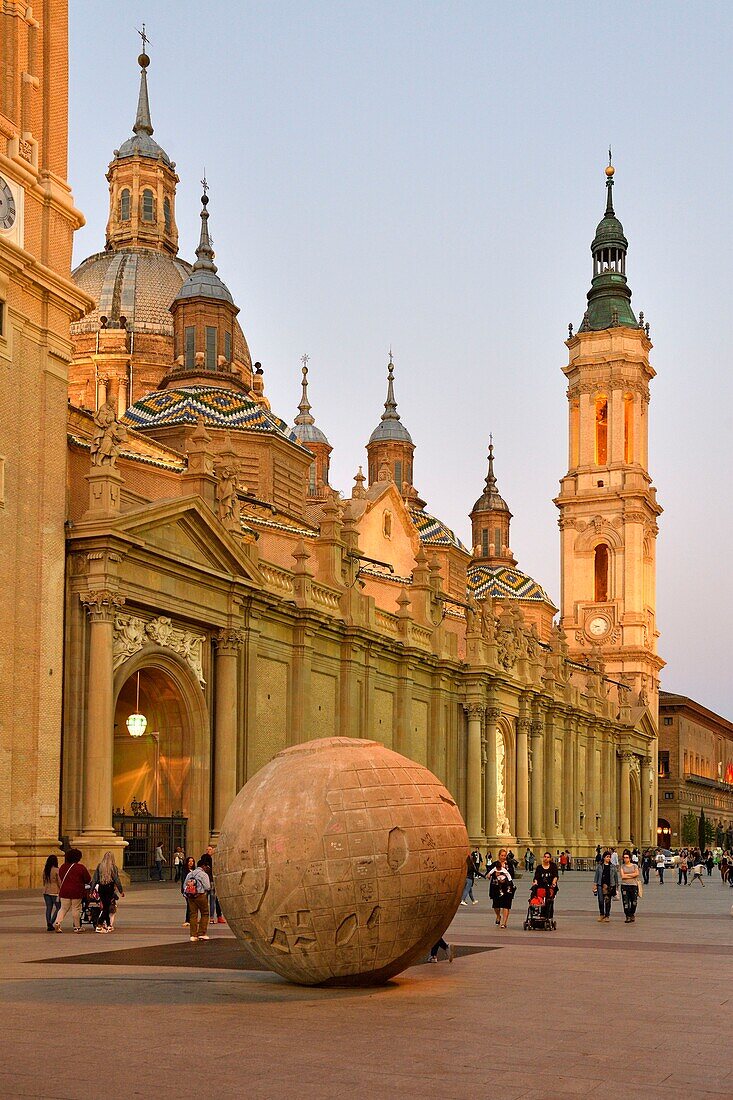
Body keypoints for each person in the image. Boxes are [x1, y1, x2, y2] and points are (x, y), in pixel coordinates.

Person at [54, 849, 91, 932]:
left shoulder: (63, 867)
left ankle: (57, 922)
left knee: (63, 908)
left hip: (64, 890)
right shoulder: (80, 867)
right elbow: (87, 879)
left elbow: (61, 876)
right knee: (76, 908)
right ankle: (77, 927)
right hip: (77, 891)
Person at [91, 851, 125, 933]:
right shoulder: (113, 867)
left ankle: (109, 925)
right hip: (109, 888)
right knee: (107, 907)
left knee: (105, 906)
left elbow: (95, 879)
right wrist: (121, 890)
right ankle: (99, 924)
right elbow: (116, 879)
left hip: (101, 887)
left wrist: (91, 890)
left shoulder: (99, 866)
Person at [487, 847, 516, 929]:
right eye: (502, 855)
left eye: (505, 855)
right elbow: (488, 874)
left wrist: (505, 879)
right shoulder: (495, 864)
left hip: (507, 887)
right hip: (496, 887)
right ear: (499, 856)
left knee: (506, 905)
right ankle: (498, 915)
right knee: (496, 905)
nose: (503, 857)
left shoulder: (509, 864)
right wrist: (494, 875)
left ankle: (504, 922)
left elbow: (512, 875)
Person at [184, 858, 211, 941]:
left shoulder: (190, 874)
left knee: (193, 914)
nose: (207, 868)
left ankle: (193, 935)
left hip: (191, 896)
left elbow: (185, 885)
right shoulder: (203, 874)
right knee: (205, 913)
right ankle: (202, 933)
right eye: (206, 866)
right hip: (200, 895)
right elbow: (207, 886)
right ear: (203, 866)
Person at [200, 846, 226, 923]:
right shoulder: (204, 860)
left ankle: (217, 916)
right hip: (208, 882)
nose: (208, 851)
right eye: (207, 849)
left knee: (214, 901)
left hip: (212, 882)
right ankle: (208, 917)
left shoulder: (215, 859)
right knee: (208, 901)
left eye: (210, 849)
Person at [593, 850, 619, 922]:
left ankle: (607, 915)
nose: (608, 858)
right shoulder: (600, 866)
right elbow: (596, 876)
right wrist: (595, 884)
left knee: (607, 901)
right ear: (604, 857)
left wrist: (616, 886)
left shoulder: (613, 867)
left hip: (609, 886)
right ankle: (601, 914)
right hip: (600, 885)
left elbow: (616, 877)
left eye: (609, 857)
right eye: (607, 857)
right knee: (601, 900)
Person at [532, 851, 559, 919]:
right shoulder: (539, 867)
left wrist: (554, 882)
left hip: (549, 887)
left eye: (548, 857)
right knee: (535, 897)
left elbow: (555, 876)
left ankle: (548, 916)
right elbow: (536, 877)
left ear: (550, 859)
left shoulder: (553, 866)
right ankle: (536, 912)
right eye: (545, 857)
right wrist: (535, 882)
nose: (546, 858)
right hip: (540, 886)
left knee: (548, 900)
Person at [619, 849, 640, 923]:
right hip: (625, 886)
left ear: (630, 858)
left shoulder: (635, 866)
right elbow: (623, 876)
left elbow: (637, 874)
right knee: (626, 902)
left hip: (633, 885)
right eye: (624, 857)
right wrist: (632, 875)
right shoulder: (622, 866)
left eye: (627, 857)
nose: (625, 859)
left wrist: (627, 875)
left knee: (634, 902)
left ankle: (632, 913)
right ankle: (627, 916)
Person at [42, 855, 61, 931]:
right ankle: (51, 922)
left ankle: (48, 922)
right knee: (58, 908)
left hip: (46, 890)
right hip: (55, 891)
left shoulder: (45, 870)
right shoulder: (57, 870)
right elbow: (59, 881)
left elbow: (44, 880)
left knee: (48, 908)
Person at [180, 855, 196, 926]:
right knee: (189, 905)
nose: (191, 862)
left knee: (193, 905)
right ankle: (187, 920)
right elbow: (183, 880)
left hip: (194, 890)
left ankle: (192, 919)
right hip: (187, 890)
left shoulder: (195, 871)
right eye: (189, 861)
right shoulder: (185, 871)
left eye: (192, 861)